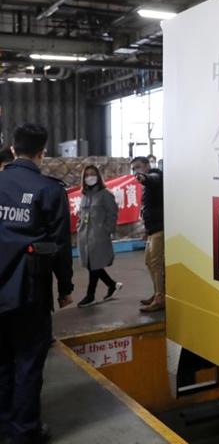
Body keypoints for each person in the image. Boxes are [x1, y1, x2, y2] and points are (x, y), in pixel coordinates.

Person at [0, 124, 74, 444]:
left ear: (13, 149)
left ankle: (4, 427)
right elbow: (60, 245)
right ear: (42, 153)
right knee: (28, 363)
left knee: (1, 363)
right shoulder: (50, 190)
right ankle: (25, 432)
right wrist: (65, 288)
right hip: (29, 294)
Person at [76, 165, 123, 308]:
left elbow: (112, 214)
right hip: (84, 236)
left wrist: (106, 230)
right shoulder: (85, 195)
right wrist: (79, 226)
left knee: (94, 264)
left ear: (98, 176)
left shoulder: (105, 194)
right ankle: (112, 285)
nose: (90, 177)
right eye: (87, 175)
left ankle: (90, 295)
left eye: (93, 174)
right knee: (92, 264)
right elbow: (81, 215)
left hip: (98, 236)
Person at [130, 156, 165, 312]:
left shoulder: (156, 176)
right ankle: (158, 293)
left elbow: (151, 179)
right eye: (133, 169)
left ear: (147, 165)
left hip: (159, 228)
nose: (135, 171)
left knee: (156, 264)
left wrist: (143, 178)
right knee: (149, 262)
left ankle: (160, 298)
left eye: (138, 167)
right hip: (152, 229)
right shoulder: (148, 184)